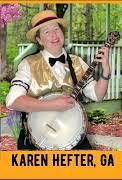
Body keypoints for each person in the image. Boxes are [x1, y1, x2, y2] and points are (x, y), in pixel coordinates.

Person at [5, 10, 111, 150]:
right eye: (46, 32)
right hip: (38, 139)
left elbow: (97, 95)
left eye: (56, 29)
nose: (54, 35)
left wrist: (106, 71)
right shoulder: (28, 64)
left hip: (73, 138)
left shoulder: (77, 62)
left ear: (62, 33)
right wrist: (52, 105)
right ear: (39, 40)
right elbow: (12, 101)